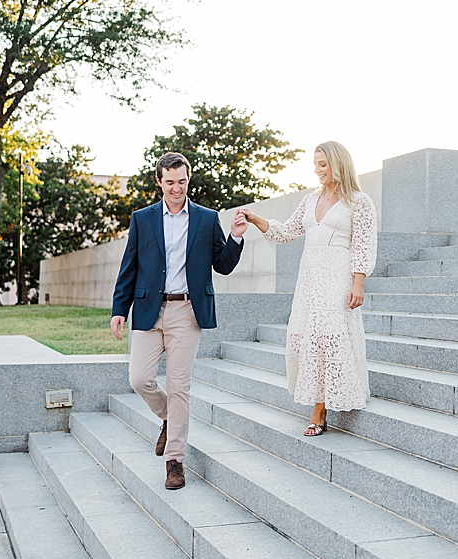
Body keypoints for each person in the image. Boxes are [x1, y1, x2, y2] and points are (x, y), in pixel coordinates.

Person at [111, 152, 247, 490]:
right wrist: (118, 309)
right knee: (139, 378)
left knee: (179, 386)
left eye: (182, 181)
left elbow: (223, 265)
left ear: (189, 180)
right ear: (159, 181)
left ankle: (175, 462)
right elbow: (129, 267)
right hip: (148, 311)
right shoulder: (142, 219)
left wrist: (236, 237)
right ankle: (168, 418)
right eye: (170, 181)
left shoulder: (205, 218)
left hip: (187, 312)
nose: (176, 188)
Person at [238, 141, 376, 436]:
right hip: (309, 279)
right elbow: (287, 232)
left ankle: (320, 409)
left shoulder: (358, 202)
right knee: (307, 338)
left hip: (338, 277)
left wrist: (358, 283)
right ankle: (319, 400)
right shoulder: (310, 200)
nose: (317, 170)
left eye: (322, 164)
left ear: (338, 164)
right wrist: (256, 220)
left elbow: (363, 245)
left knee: (328, 338)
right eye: (315, 164)